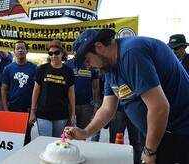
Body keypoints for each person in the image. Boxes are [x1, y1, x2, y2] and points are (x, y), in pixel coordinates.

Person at [64, 29, 189, 164]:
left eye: (87, 60)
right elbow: (107, 108)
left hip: (178, 132)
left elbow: (159, 107)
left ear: (99, 47)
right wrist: (85, 132)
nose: (88, 67)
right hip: (157, 131)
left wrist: (150, 151)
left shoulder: (131, 53)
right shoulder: (110, 67)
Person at [30, 40, 76, 138]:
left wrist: (73, 114)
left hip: (61, 115)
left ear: (62, 53)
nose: (53, 56)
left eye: (56, 53)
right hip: (43, 114)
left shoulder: (68, 71)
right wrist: (33, 112)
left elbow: (71, 94)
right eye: (50, 53)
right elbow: (36, 91)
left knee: (57, 142)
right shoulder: (41, 69)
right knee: (45, 142)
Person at [1, 40, 36, 145]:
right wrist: (6, 109)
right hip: (12, 108)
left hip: (28, 109)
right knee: (12, 138)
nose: (20, 50)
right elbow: (3, 89)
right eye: (18, 48)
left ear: (27, 51)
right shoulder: (8, 68)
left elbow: (37, 90)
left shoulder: (34, 68)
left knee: (26, 138)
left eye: (22, 48)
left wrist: (34, 111)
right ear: (14, 51)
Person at [65, 56, 100, 141]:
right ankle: (67, 153)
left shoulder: (90, 63)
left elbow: (96, 87)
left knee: (81, 135)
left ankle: (80, 152)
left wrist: (95, 105)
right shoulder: (68, 64)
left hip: (86, 105)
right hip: (69, 104)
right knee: (67, 133)